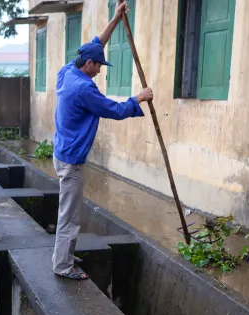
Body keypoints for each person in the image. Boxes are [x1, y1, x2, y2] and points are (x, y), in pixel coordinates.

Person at [52, 0, 154, 280]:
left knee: (70, 211)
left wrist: (116, 19)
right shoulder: (84, 89)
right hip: (71, 159)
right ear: (88, 64)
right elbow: (114, 109)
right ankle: (62, 266)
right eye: (98, 65)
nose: (100, 69)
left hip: (61, 151)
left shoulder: (67, 71)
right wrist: (138, 99)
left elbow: (96, 42)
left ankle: (66, 255)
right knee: (70, 216)